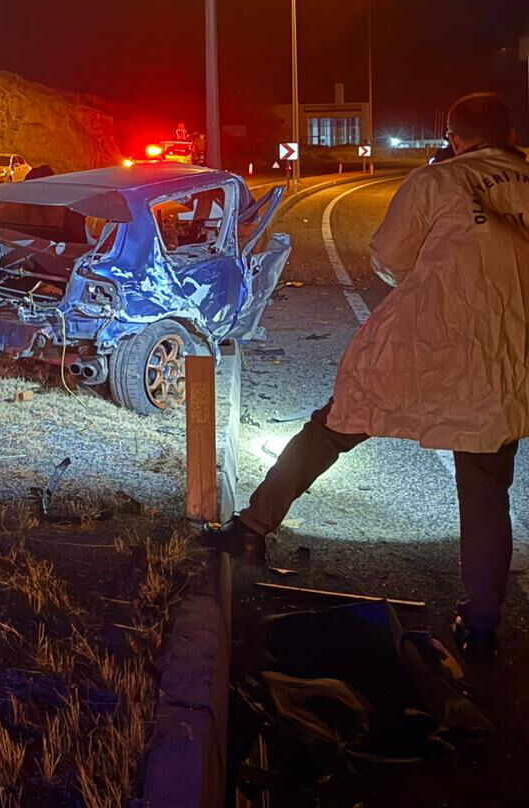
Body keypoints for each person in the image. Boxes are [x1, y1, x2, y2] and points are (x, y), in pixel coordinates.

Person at [207, 92, 529, 659]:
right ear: (508, 134)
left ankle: (251, 529)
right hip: (506, 358)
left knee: (333, 427)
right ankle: (481, 626)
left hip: (423, 345)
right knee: (485, 490)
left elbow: (389, 258)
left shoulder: (438, 183)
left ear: (454, 134)